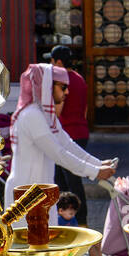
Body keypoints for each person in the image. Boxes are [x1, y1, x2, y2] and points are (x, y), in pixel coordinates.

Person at [6, 63, 117, 256]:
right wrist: (94, 172)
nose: (67, 92)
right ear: (47, 86)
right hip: (25, 193)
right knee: (29, 253)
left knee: (38, 251)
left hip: (39, 193)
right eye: (62, 86)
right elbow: (59, 154)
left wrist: (98, 164)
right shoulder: (33, 116)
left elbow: (67, 144)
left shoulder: (44, 115)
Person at [49, 45, 90, 227]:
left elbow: (57, 111)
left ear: (58, 62)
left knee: (66, 181)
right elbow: (86, 108)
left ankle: (76, 221)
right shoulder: (80, 79)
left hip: (66, 134)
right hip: (81, 132)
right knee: (70, 179)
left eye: (51, 61)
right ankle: (72, 220)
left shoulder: (61, 80)